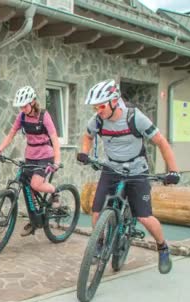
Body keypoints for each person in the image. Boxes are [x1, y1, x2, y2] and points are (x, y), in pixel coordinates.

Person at [77, 79, 180, 274]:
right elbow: (88, 136)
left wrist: (173, 171)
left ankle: (163, 247)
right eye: (95, 107)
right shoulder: (98, 120)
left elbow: (162, 143)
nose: (98, 110)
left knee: (144, 217)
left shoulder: (135, 118)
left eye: (100, 106)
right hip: (111, 168)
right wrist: (84, 152)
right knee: (97, 210)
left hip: (136, 170)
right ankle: (97, 244)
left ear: (114, 101)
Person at [0, 85, 62, 236]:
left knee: (36, 185)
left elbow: (55, 139)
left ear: (32, 102)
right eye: (20, 106)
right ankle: (35, 219)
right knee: (26, 186)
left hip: (45, 156)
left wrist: (56, 161)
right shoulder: (22, 116)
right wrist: (0, 149)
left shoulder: (44, 116)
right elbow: (11, 134)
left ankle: (55, 192)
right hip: (30, 155)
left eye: (24, 106)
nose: (22, 109)